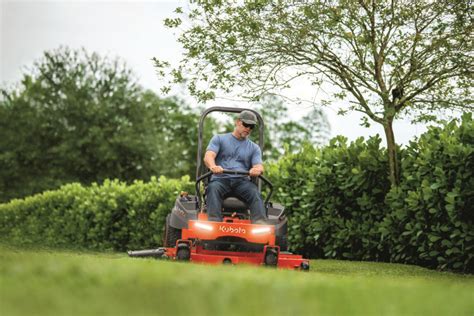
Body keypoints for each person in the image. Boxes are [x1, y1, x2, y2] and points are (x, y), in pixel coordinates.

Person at [204, 110, 268, 224]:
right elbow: (209, 156)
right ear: (237, 122)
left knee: (255, 192)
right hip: (220, 179)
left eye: (251, 126)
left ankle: (259, 225)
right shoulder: (219, 139)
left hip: (242, 182)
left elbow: (259, 166)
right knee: (213, 188)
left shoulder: (254, 148)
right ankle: (214, 223)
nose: (248, 129)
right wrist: (213, 166)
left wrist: (256, 170)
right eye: (246, 125)